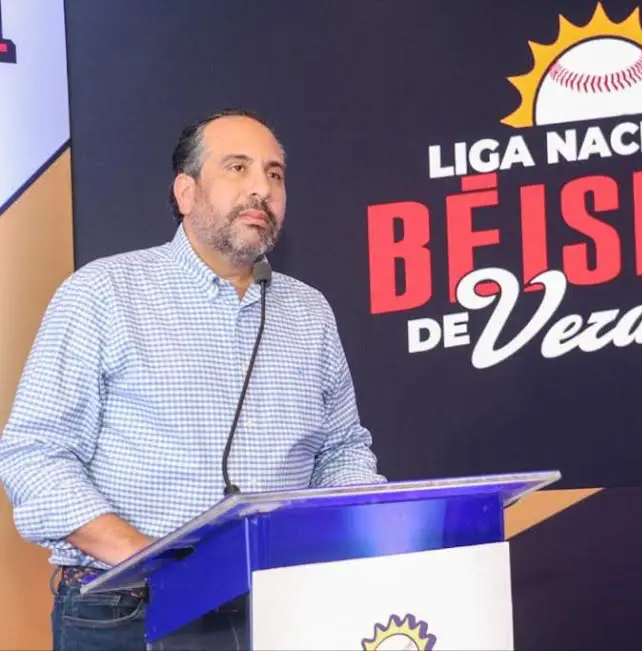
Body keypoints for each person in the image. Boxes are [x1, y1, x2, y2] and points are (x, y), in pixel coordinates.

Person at [0, 109, 386, 651]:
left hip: (279, 599)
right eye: (237, 168)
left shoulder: (308, 311)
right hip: (128, 607)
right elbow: (34, 453)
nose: (261, 188)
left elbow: (341, 448)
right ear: (186, 192)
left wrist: (373, 525)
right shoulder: (104, 293)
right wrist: (152, 556)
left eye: (275, 174)